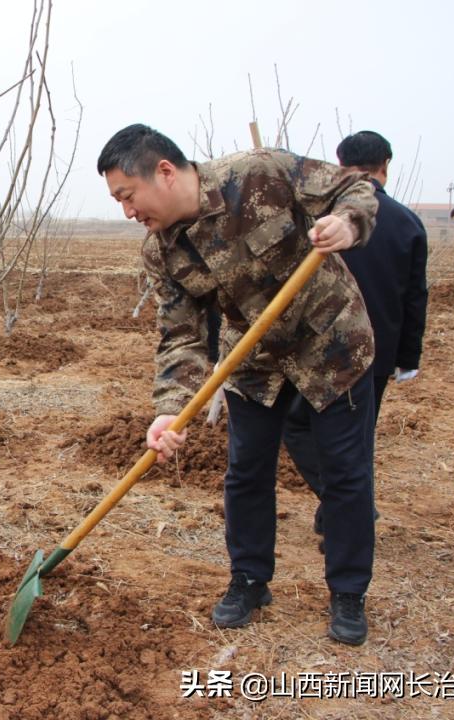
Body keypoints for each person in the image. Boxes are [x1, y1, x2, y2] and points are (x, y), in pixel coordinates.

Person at [98, 123, 379, 646]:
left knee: (344, 473)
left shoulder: (259, 173)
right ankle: (250, 580)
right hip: (252, 361)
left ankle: (347, 591)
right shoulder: (162, 252)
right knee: (246, 473)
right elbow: (180, 335)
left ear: (163, 171)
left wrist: (348, 222)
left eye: (128, 196)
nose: (128, 212)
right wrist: (169, 408)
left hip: (331, 346)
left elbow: (352, 186)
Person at [283, 131, 428, 536]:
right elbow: (416, 296)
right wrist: (408, 357)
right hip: (377, 351)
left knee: (297, 426)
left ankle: (344, 512)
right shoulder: (407, 223)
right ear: (386, 166)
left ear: (341, 166)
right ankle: (346, 505)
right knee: (356, 440)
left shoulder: (321, 219)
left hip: (317, 346)